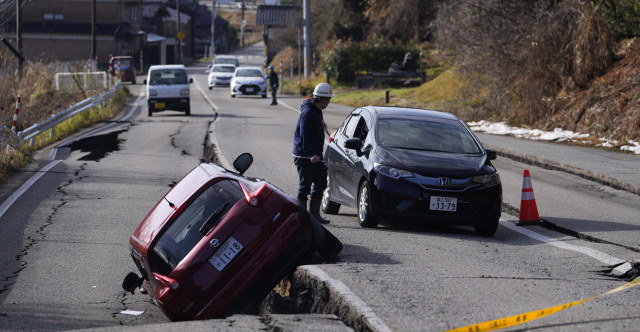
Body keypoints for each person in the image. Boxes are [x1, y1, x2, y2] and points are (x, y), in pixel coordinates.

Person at [292, 83, 334, 224]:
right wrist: (311, 155)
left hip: (315, 155)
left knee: (321, 182)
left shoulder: (318, 111)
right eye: (328, 100)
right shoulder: (308, 113)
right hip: (304, 156)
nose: (329, 102)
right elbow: (304, 137)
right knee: (305, 186)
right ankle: (302, 217)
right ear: (322, 99)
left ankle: (314, 215)